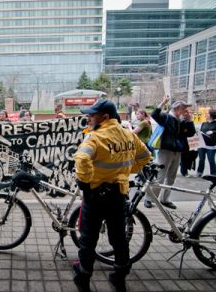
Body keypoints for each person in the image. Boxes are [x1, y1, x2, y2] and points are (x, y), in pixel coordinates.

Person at [73, 99, 151, 292]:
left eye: (92, 115)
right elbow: (145, 156)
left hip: (95, 196)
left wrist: (85, 182)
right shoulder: (128, 135)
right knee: (119, 238)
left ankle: (83, 278)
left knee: (88, 240)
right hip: (118, 195)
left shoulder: (94, 137)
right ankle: (119, 277)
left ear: (105, 117)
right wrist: (127, 171)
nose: (88, 117)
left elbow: (81, 158)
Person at [144, 95, 195, 209]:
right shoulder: (167, 117)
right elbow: (155, 114)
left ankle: (164, 199)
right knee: (160, 176)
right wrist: (163, 102)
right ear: (177, 109)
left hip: (177, 151)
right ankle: (149, 199)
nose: (185, 111)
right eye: (184, 109)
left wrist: (189, 120)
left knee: (171, 177)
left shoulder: (181, 121)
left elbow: (190, 133)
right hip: (165, 150)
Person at [196, 109, 216, 177]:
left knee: (211, 160)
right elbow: (201, 132)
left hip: (211, 146)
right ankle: (199, 172)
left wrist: (213, 132)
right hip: (202, 144)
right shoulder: (204, 123)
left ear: (211, 115)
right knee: (201, 159)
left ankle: (213, 174)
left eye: (207, 113)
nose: (206, 114)